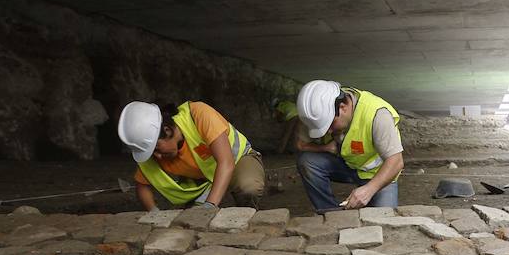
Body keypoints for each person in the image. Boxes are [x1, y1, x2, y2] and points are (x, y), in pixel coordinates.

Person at [117, 100, 265, 211]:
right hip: (204, 179)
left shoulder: (199, 114)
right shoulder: (151, 149)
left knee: (248, 187)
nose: (158, 157)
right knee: (192, 219)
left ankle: (248, 217)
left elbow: (226, 163)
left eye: (157, 149)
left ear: (167, 130)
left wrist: (209, 205)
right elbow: (142, 184)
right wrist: (154, 214)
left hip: (238, 158)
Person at [295, 80, 403, 212]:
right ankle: (331, 213)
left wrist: (369, 190)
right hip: (349, 166)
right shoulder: (319, 111)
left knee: (384, 219)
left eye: (330, 124)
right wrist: (325, 148)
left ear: (343, 107)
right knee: (307, 161)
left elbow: (396, 162)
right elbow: (301, 145)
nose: (328, 131)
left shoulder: (377, 115)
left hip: (378, 174)